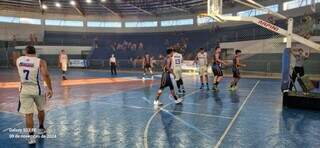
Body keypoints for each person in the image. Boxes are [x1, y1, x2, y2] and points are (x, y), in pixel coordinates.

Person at [16, 45, 53, 145]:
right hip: (38, 90)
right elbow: (46, 75)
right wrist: (50, 88)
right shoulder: (40, 61)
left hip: (24, 90)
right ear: (35, 52)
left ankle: (31, 138)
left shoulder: (19, 60)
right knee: (41, 109)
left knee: (28, 114)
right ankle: (41, 128)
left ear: (25, 51)